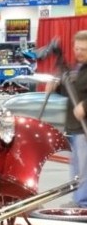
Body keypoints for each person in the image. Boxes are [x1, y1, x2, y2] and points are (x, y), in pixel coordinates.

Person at [46, 30, 87, 207]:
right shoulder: (77, 68)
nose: (79, 52)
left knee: (84, 168)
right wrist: (55, 87)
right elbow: (70, 92)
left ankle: (83, 203)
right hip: (75, 127)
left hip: (84, 127)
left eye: (83, 49)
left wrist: (85, 106)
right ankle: (79, 200)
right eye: (77, 48)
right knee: (77, 167)